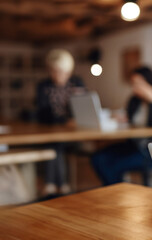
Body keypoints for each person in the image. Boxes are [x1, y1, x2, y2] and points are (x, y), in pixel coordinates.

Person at [91, 66, 152, 186]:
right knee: (98, 158)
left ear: (149, 83)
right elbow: (130, 120)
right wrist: (121, 119)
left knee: (114, 165)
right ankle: (115, 189)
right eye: (133, 84)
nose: (135, 88)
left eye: (138, 84)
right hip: (134, 145)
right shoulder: (135, 100)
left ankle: (116, 191)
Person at [36, 49, 86, 196]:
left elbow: (84, 106)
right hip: (51, 128)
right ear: (50, 70)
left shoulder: (77, 82)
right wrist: (64, 121)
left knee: (55, 146)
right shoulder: (43, 86)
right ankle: (61, 184)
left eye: (63, 72)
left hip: (73, 131)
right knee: (54, 145)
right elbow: (43, 112)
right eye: (56, 71)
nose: (59, 75)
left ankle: (51, 184)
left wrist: (74, 121)